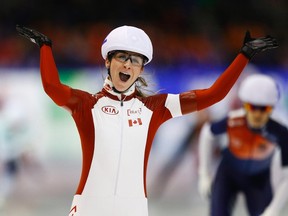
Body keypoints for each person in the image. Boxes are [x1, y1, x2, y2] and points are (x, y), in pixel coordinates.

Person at [16, 24, 278, 216]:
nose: (128, 65)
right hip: (88, 208)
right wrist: (46, 49)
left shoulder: (155, 108)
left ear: (142, 68)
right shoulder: (86, 104)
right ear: (108, 61)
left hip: (134, 209)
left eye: (135, 60)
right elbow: (52, 87)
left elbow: (214, 95)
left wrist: (243, 55)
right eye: (122, 57)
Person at [198, 74, 288, 216]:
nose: (257, 115)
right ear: (244, 106)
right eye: (252, 107)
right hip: (228, 174)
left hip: (258, 180)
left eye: (264, 109)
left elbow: (287, 175)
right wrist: (204, 173)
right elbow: (207, 133)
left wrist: (274, 209)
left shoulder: (280, 132)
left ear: (272, 109)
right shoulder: (233, 120)